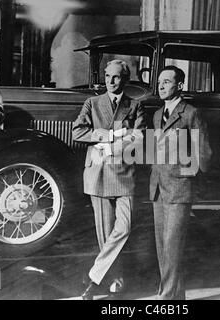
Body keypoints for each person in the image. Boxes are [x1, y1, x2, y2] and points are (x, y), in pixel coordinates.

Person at [72, 59, 146, 300]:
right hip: (98, 174)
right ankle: (115, 283)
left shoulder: (135, 106)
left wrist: (111, 146)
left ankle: (94, 278)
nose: (111, 81)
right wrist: (109, 134)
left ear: (125, 79)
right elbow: (78, 132)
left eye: (116, 77)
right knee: (105, 235)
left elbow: (140, 137)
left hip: (125, 173)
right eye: (107, 76)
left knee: (123, 228)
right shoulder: (92, 103)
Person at [150, 66, 212, 300]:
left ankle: (165, 298)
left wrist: (188, 174)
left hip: (179, 188)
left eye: (167, 82)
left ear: (180, 86)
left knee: (172, 247)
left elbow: (203, 152)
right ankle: (177, 297)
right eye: (160, 82)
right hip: (157, 188)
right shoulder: (157, 114)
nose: (162, 86)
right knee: (162, 249)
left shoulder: (191, 113)